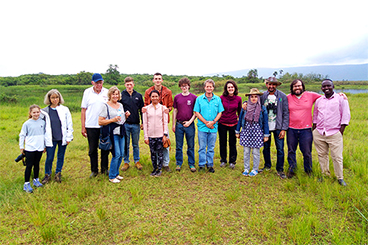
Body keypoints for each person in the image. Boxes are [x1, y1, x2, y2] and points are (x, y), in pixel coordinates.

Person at [312, 79, 350, 186]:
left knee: (337, 156)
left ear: (333, 86)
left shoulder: (341, 99)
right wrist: (314, 129)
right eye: (324, 86)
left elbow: (345, 116)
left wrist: (340, 132)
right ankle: (325, 174)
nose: (326, 88)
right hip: (319, 132)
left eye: (328, 86)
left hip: (334, 133)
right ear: (321, 88)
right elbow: (315, 115)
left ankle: (340, 178)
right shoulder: (319, 100)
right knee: (322, 155)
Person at [286, 79, 321, 178]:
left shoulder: (310, 95)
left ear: (303, 86)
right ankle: (292, 169)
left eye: (299, 86)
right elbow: (278, 101)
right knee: (291, 150)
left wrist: (339, 95)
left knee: (306, 152)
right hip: (291, 129)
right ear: (292, 88)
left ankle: (308, 170)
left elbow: (326, 98)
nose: (297, 88)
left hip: (306, 129)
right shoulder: (287, 97)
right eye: (295, 86)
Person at [258, 77, 289, 179]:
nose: (271, 86)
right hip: (266, 127)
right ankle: (267, 166)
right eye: (269, 84)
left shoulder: (282, 96)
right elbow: (254, 103)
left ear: (276, 85)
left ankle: (280, 169)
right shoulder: (262, 96)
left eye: (273, 84)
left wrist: (284, 129)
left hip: (278, 127)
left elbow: (285, 113)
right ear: (266, 84)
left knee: (280, 149)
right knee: (266, 148)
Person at [41, 89, 73, 184]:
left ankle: (58, 173)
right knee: (49, 157)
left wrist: (69, 137)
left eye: (57, 97)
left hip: (62, 137)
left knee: (60, 156)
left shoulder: (64, 109)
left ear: (59, 98)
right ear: (49, 99)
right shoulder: (44, 111)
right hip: (51, 138)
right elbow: (42, 127)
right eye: (53, 98)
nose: (55, 100)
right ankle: (47, 174)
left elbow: (69, 124)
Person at [99, 86, 130, 183]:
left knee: (121, 154)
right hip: (112, 132)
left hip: (121, 131)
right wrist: (113, 120)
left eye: (117, 94)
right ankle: (112, 176)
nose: (115, 96)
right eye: (113, 94)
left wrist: (126, 116)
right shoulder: (105, 106)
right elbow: (100, 121)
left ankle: (116, 173)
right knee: (116, 154)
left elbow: (121, 119)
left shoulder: (120, 105)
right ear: (110, 95)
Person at [236, 88, 269, 176]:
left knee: (256, 152)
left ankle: (255, 169)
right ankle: (246, 168)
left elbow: (265, 122)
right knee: (246, 151)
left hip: (257, 132)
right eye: (252, 97)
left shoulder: (262, 108)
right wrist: (237, 131)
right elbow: (240, 120)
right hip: (246, 130)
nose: (253, 98)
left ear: (258, 98)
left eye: (255, 97)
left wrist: (266, 134)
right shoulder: (245, 108)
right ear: (249, 98)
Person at [19, 105, 52, 193]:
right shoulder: (27, 123)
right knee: (29, 165)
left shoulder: (42, 122)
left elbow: (45, 134)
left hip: (40, 147)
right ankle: (26, 184)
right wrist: (21, 147)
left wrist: (45, 145)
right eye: (34, 112)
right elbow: (22, 135)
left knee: (37, 164)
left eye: (38, 112)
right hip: (30, 148)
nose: (36, 114)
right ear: (30, 113)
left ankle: (36, 180)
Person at [81, 73, 109, 177]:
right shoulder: (87, 92)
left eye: (100, 82)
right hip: (91, 125)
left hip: (104, 125)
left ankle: (105, 169)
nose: (99, 85)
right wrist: (83, 127)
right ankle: (94, 170)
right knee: (92, 149)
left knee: (105, 148)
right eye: (97, 83)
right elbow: (83, 110)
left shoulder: (106, 92)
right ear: (93, 83)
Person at [144, 72, 173, 172]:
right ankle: (156, 163)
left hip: (162, 122)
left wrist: (167, 110)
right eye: (155, 78)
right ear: (153, 80)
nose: (157, 80)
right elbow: (146, 105)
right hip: (152, 122)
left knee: (165, 144)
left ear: (162, 80)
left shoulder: (168, 91)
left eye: (159, 78)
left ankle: (165, 163)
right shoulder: (148, 92)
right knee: (154, 146)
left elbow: (170, 105)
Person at [194, 79, 224, 173]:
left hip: (213, 128)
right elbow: (197, 112)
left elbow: (220, 112)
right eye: (207, 86)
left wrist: (213, 122)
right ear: (204, 87)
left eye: (210, 86)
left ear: (213, 88)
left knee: (211, 147)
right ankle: (202, 164)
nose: (209, 88)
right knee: (202, 147)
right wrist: (206, 123)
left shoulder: (218, 99)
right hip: (202, 127)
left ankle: (210, 164)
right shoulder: (199, 99)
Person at [172, 77, 197, 172]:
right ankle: (178, 163)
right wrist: (173, 124)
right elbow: (175, 110)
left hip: (190, 124)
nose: (184, 87)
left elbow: (196, 112)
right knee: (179, 145)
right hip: (179, 124)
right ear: (180, 87)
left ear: (189, 86)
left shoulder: (194, 98)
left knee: (190, 145)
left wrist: (190, 122)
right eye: (182, 86)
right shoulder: (177, 97)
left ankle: (191, 164)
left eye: (185, 86)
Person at [119, 77, 144, 171]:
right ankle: (126, 162)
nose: (129, 86)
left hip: (136, 124)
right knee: (126, 144)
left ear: (133, 85)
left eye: (131, 84)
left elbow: (142, 110)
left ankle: (137, 161)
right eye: (127, 85)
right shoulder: (121, 95)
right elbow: (118, 109)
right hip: (125, 124)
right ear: (125, 85)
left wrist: (143, 122)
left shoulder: (138, 95)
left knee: (135, 144)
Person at [143, 90, 169, 177]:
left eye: (156, 96)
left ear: (159, 97)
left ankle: (160, 169)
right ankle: (154, 168)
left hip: (160, 135)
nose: (154, 98)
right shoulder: (146, 109)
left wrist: (165, 134)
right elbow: (145, 123)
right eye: (153, 96)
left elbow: (165, 122)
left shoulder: (163, 108)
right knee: (153, 153)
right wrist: (146, 137)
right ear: (150, 98)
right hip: (151, 135)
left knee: (160, 153)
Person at [218, 80, 242, 169]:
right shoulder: (221, 98)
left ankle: (232, 161)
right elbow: (219, 111)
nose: (230, 89)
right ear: (226, 89)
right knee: (222, 142)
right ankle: (223, 160)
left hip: (233, 123)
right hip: (222, 123)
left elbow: (240, 112)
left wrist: (240, 125)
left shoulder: (238, 99)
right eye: (228, 87)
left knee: (233, 143)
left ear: (234, 88)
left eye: (232, 87)